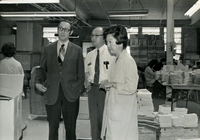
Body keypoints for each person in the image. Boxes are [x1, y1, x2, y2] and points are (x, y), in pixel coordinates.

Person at [35, 20, 85, 140]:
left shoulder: (77, 50)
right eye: (61, 29)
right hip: (52, 92)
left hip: (71, 94)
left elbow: (81, 74)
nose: (63, 32)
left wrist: (77, 90)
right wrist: (38, 82)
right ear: (58, 30)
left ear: (70, 32)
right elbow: (42, 69)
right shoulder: (48, 49)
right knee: (53, 128)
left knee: (70, 128)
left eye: (66, 29)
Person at [100, 25, 139, 140]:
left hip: (122, 112)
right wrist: (107, 83)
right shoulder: (116, 58)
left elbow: (132, 87)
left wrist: (112, 84)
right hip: (115, 109)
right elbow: (117, 80)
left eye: (110, 42)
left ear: (120, 42)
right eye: (107, 42)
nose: (108, 46)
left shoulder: (128, 61)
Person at [84, 27, 115, 140]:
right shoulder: (89, 55)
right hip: (92, 90)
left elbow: (115, 73)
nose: (93, 38)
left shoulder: (111, 53)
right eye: (92, 35)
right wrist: (86, 80)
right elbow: (86, 72)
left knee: (104, 119)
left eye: (96, 36)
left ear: (104, 38)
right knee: (94, 120)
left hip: (105, 90)